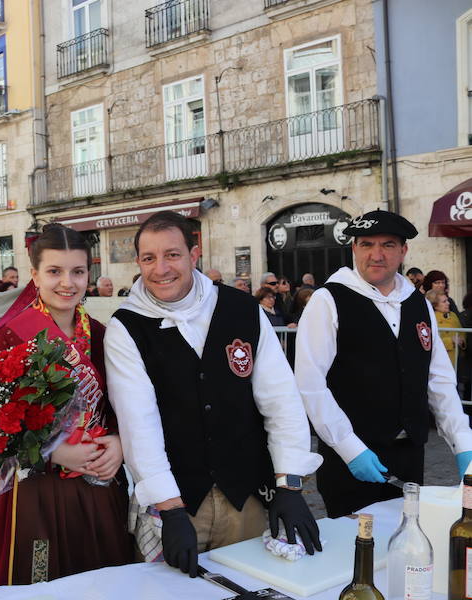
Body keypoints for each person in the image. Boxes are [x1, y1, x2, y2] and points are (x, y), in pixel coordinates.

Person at [104, 211, 322, 577]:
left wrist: (290, 484)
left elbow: (280, 399)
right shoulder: (125, 328)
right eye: (148, 258)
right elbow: (138, 424)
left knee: (255, 586)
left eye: (172, 254)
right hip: (177, 500)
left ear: (194, 253)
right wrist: (170, 509)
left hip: (246, 496)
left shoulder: (242, 310)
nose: (161, 269)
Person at [0, 224, 134, 598]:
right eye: (54, 271)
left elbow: (130, 407)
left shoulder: (106, 336)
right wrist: (53, 451)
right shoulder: (10, 335)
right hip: (32, 489)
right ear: (35, 274)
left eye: (77, 271)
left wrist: (120, 442)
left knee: (104, 583)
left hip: (99, 482)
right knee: (40, 582)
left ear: (89, 274)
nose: (67, 283)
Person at [295, 210, 472, 518]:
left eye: (388, 245)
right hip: (352, 457)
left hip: (410, 454)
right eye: (366, 244)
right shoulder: (329, 300)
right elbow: (310, 385)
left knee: (406, 545)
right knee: (356, 554)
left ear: (403, 251)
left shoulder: (417, 302)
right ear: (354, 249)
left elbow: (438, 379)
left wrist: (462, 442)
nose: (376, 255)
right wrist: (351, 448)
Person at [427, 290, 463, 367]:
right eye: (444, 301)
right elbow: (431, 341)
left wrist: (462, 340)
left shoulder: (453, 315)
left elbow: (461, 332)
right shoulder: (431, 318)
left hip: (456, 360)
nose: (448, 303)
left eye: (447, 300)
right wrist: (451, 341)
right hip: (440, 361)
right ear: (435, 305)